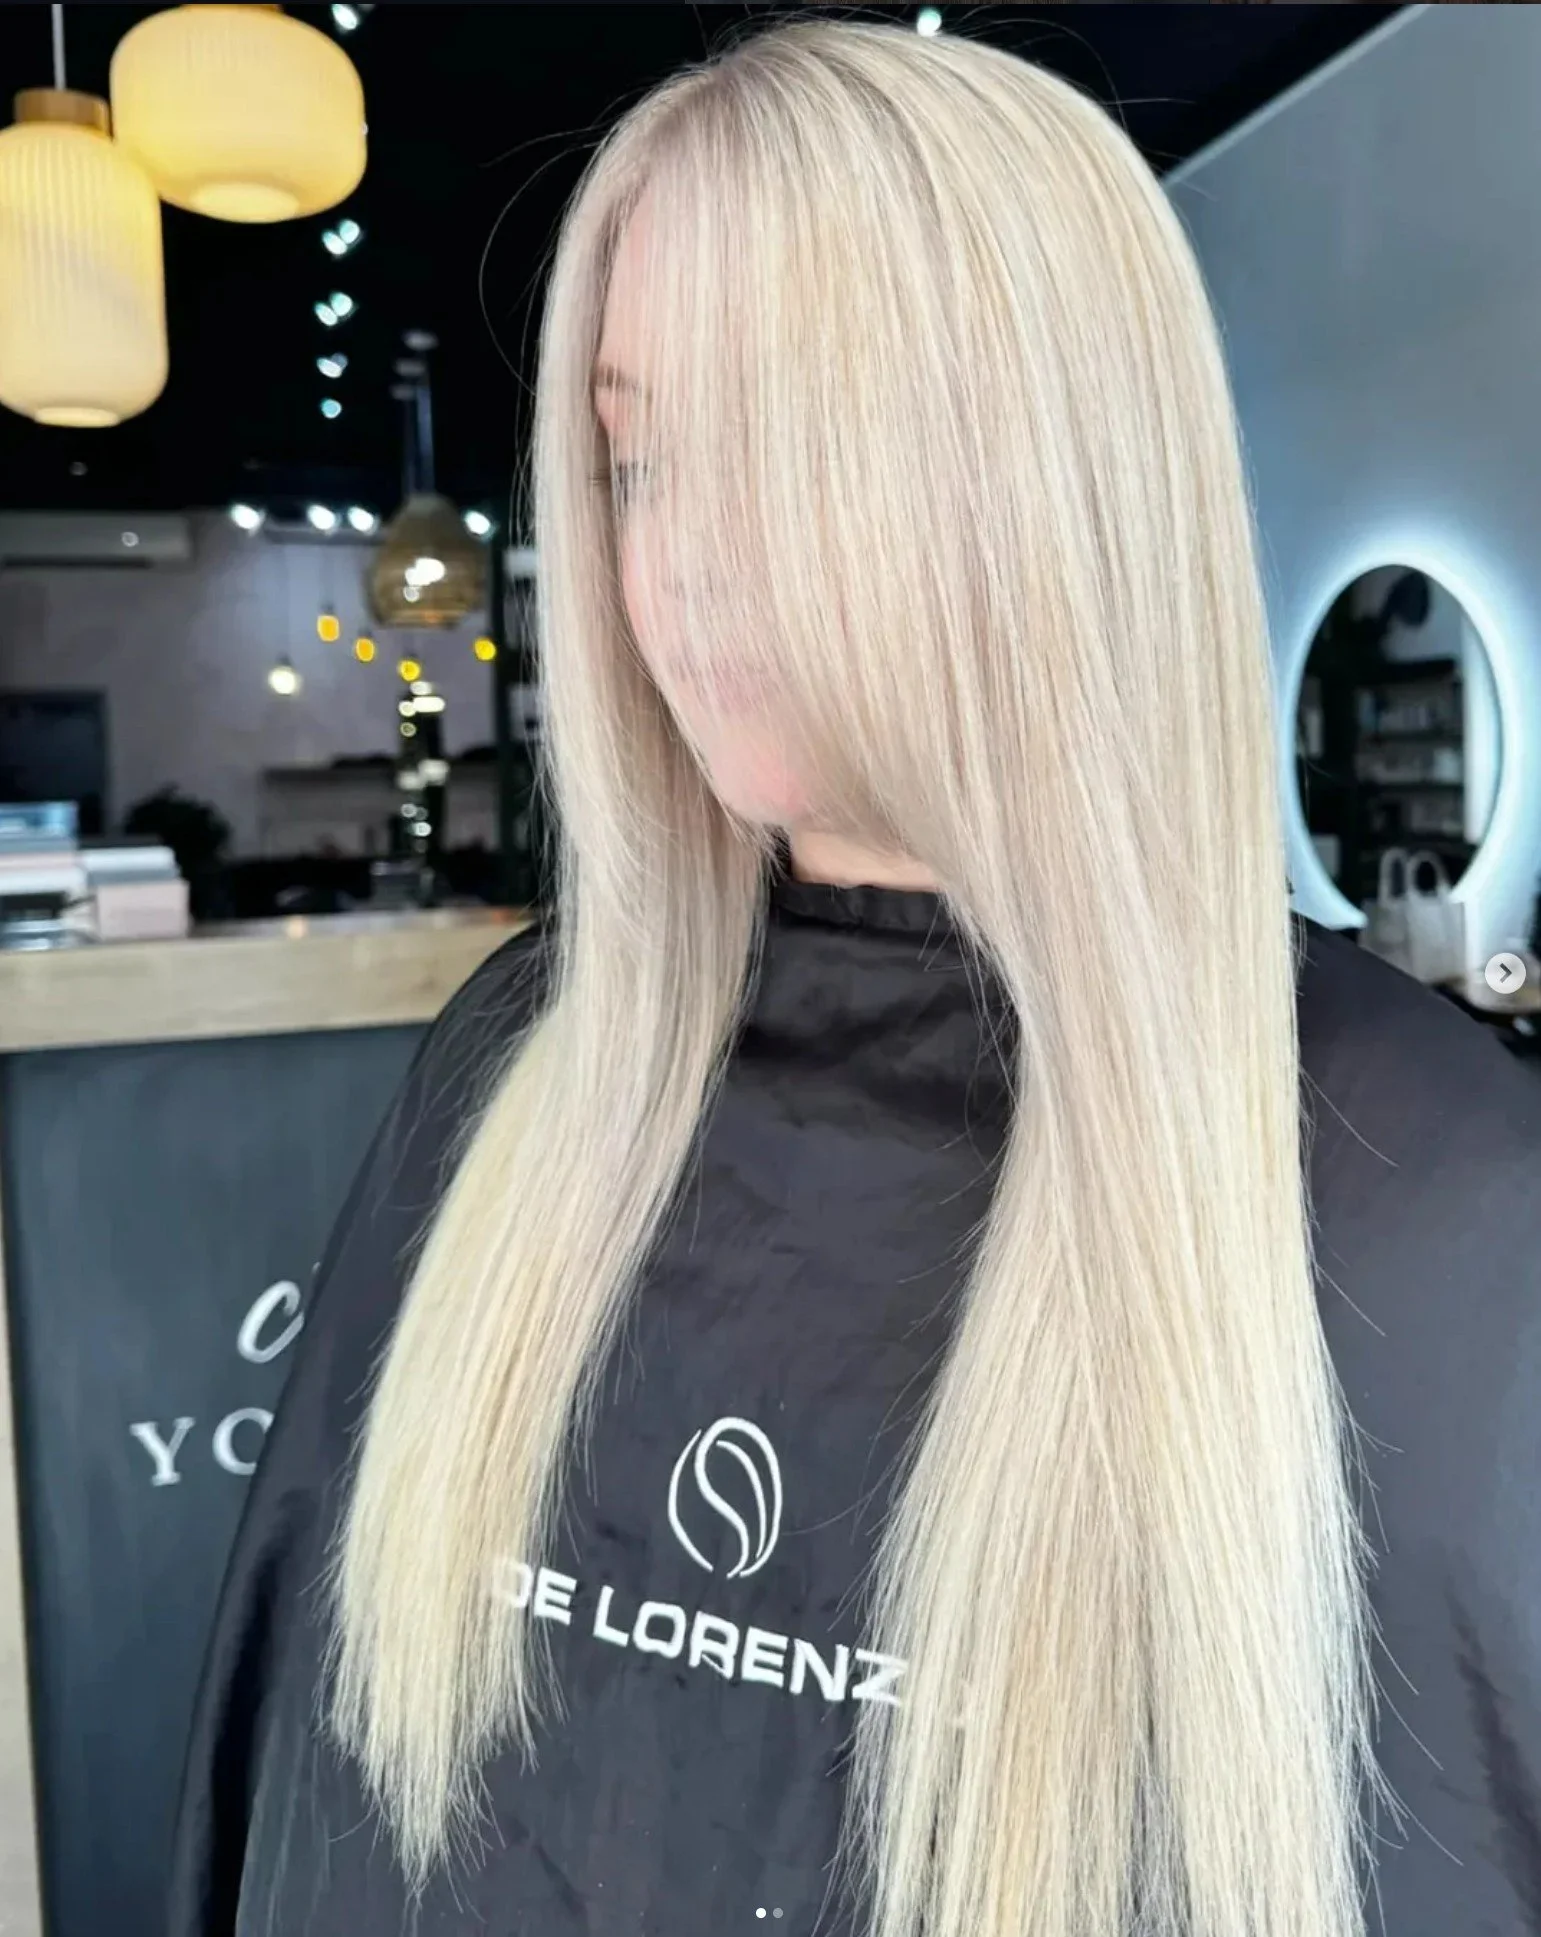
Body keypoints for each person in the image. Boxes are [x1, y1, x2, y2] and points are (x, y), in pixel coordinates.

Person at [167, 19, 1541, 1937]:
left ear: (1059, 478)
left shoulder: (1446, 1200)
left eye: (789, 450)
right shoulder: (527, 1059)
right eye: (639, 459)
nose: (683, 569)